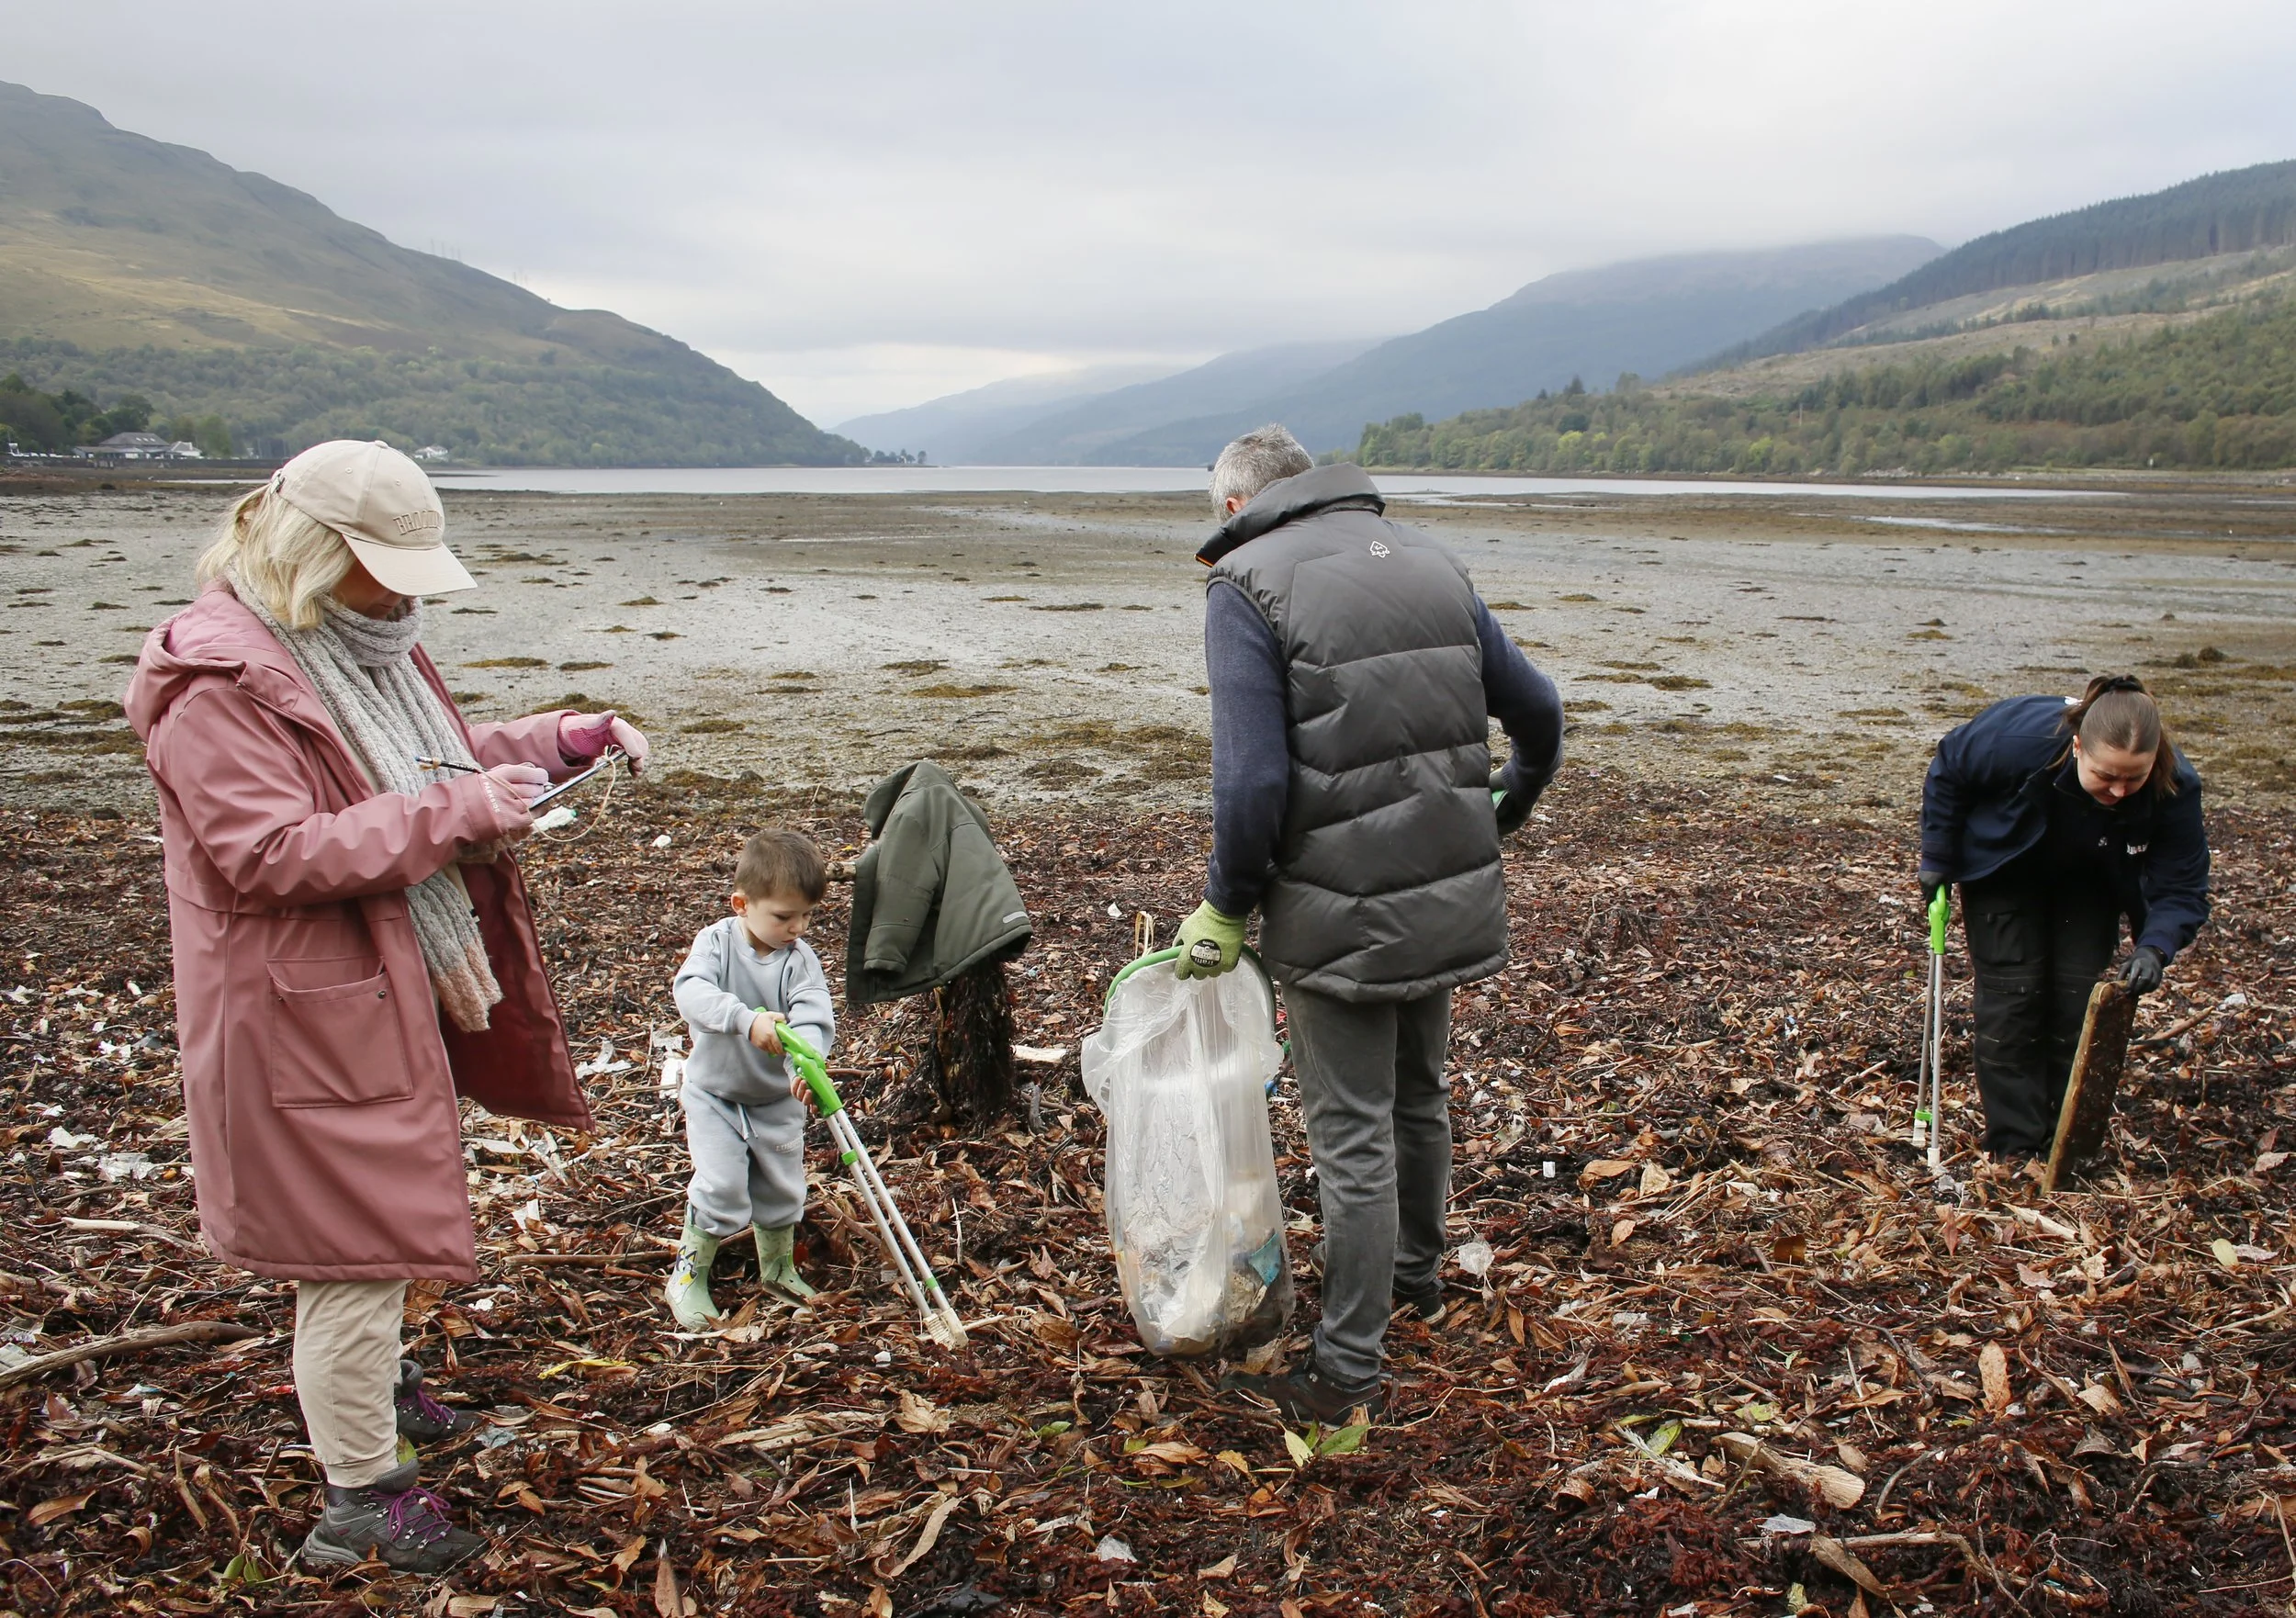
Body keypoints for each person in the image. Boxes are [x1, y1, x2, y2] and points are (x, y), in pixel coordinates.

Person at [125, 439, 649, 1575]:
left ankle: (384, 1394)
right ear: (317, 553)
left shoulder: (341, 647)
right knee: (351, 1254)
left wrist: (560, 743)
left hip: (365, 989)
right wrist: (460, 812)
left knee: (375, 1223)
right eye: (385, 565)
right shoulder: (220, 683)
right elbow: (265, 853)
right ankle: (360, 1499)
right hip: (295, 1017)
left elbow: (421, 767)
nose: (407, 591)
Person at [1177, 425, 1563, 1422]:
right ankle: (1415, 1284)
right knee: (1418, 1095)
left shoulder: (1244, 585)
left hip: (1334, 903)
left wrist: (1225, 904)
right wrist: (1510, 799)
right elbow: (1539, 709)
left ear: (1233, 508)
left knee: (1350, 1134)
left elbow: (1253, 779)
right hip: (1441, 879)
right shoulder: (1432, 561)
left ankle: (1346, 1370)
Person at [1919, 674, 2210, 1163]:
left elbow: (2182, 884)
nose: (2118, 790)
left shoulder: (2174, 785)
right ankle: (2014, 1146)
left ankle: (2064, 1141)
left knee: (2078, 1004)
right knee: (2013, 1000)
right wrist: (1937, 857)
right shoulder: (2017, 740)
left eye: (2132, 779)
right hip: (2005, 866)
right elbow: (1950, 769)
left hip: (2093, 878)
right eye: (2106, 776)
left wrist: (2154, 948)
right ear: (2077, 747)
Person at [666, 828, 836, 1329]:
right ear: (741, 903)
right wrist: (746, 1018)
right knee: (721, 1186)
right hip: (714, 1095)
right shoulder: (716, 943)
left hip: (773, 1101)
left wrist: (805, 1066)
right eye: (784, 916)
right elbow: (691, 991)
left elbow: (811, 1018)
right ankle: (687, 1274)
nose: (797, 927)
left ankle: (778, 1268)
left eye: (806, 915)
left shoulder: (799, 961)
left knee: (784, 1191)